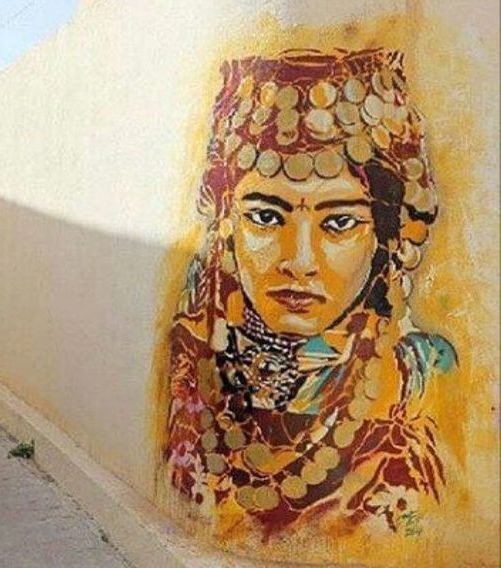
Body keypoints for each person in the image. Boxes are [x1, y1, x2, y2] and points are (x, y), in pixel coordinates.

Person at [162, 49, 456, 537]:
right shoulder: (192, 355)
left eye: (339, 223)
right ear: (225, 226)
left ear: (388, 238)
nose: (298, 260)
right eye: (265, 217)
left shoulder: (422, 380)